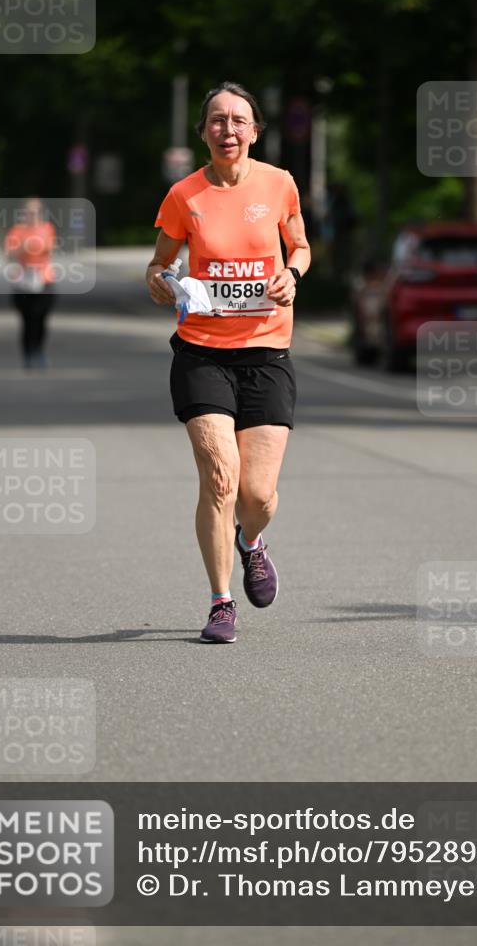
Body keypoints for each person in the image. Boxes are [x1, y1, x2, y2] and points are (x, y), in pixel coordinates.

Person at [146, 82, 311, 644]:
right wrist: (165, 284)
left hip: (267, 352)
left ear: (255, 131)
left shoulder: (280, 184)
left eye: (239, 120)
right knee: (220, 477)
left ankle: (251, 541)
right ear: (203, 132)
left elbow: (302, 248)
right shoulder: (184, 195)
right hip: (201, 354)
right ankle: (221, 603)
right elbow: (157, 266)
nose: (228, 130)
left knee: (257, 496)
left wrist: (292, 275)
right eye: (217, 120)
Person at [4, 197, 57, 369]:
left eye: (35, 211)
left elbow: (48, 248)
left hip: (43, 279)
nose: (32, 215)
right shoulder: (17, 231)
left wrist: (32, 246)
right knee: (27, 320)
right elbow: (10, 254)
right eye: (29, 211)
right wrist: (24, 247)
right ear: (24, 213)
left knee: (41, 318)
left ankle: (39, 351)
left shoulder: (46, 228)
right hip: (23, 280)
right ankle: (27, 354)